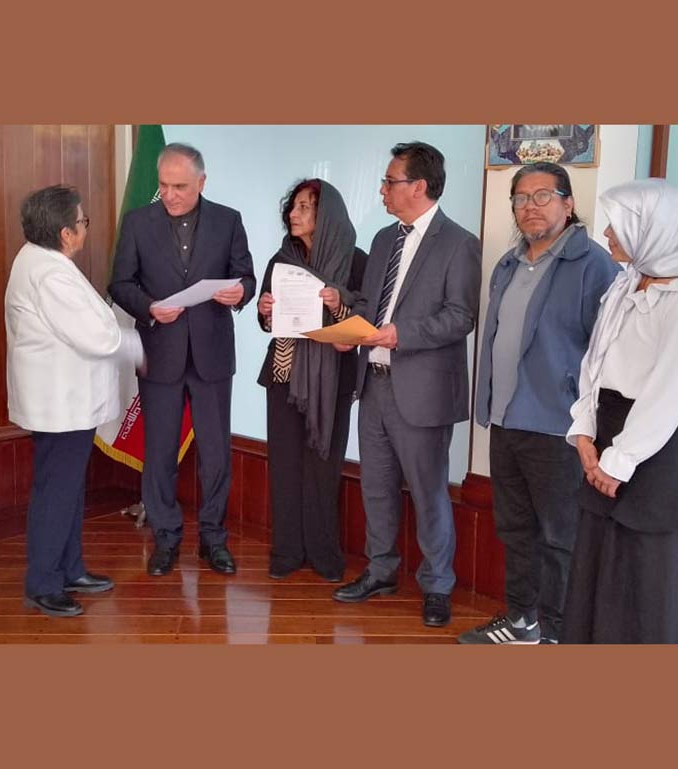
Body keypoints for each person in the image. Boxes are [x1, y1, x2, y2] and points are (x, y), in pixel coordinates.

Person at [458, 163, 619, 645]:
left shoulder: (594, 265)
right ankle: (522, 622)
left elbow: (609, 354)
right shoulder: (508, 264)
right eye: (521, 198)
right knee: (515, 530)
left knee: (559, 537)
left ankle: (557, 634)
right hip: (506, 420)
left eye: (543, 195)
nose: (530, 206)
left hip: (558, 426)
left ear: (568, 204)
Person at [562, 179, 678, 644]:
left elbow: (668, 391)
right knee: (595, 583)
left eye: (619, 224)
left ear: (654, 229)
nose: (608, 233)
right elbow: (595, 362)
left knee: (647, 594)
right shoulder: (627, 282)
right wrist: (585, 432)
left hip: (656, 454)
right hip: (606, 438)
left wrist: (619, 461)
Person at [332, 142, 481, 628]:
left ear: (418, 186)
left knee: (428, 491)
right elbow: (368, 304)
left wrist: (402, 335)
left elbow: (461, 317)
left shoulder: (459, 243)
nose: (382, 190)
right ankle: (381, 571)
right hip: (372, 385)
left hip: (423, 391)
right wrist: (347, 327)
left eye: (389, 181)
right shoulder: (382, 240)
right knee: (375, 488)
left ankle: (438, 585)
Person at [109, 143, 256, 576]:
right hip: (160, 353)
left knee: (216, 455)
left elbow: (246, 276)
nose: (170, 195)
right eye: (164, 186)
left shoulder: (228, 220)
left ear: (201, 183)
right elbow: (120, 283)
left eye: (180, 187)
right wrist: (149, 307)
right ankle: (166, 538)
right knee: (159, 453)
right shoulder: (138, 222)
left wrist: (240, 292)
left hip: (212, 356)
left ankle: (214, 540)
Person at [6, 185, 142, 617]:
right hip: (60, 404)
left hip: (66, 401)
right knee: (57, 493)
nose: (85, 227)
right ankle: (44, 584)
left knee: (65, 490)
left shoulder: (43, 260)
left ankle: (69, 568)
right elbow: (96, 337)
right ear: (66, 233)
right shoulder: (50, 273)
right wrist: (143, 347)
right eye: (83, 221)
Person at [256, 179, 366, 582]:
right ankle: (286, 551)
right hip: (284, 373)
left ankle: (323, 553)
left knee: (324, 466)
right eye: (294, 206)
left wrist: (340, 304)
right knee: (284, 465)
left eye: (304, 207)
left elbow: (366, 319)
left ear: (327, 215)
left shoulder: (355, 260)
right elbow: (266, 320)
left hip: (332, 379)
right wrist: (265, 310)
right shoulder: (281, 260)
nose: (293, 214)